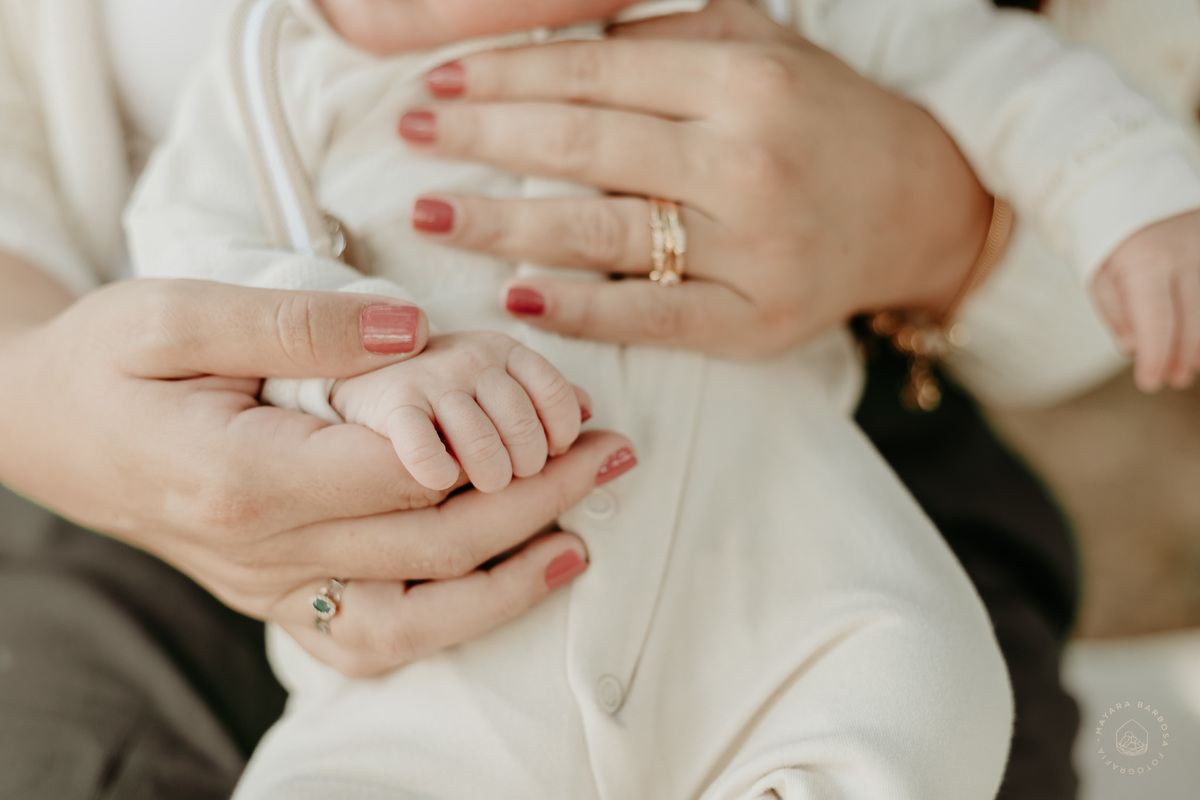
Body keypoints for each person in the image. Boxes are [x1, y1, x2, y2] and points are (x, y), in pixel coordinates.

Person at [0, 0, 1100, 796]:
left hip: (795, 479)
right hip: (214, 476)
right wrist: (339, 353)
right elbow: (194, 241)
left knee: (914, 676)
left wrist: (957, 224)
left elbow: (1044, 98)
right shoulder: (274, 61)